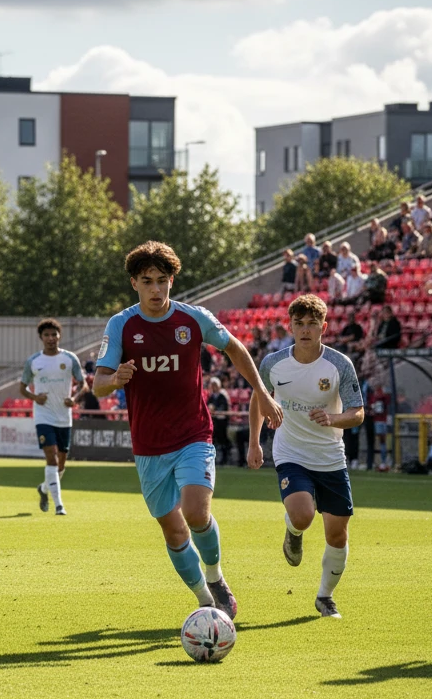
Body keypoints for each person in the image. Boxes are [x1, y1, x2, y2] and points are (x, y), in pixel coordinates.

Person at [92, 241, 283, 620]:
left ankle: (215, 578)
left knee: (196, 512)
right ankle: (204, 601)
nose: (156, 289)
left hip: (193, 434)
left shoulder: (193, 319)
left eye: (162, 281)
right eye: (147, 281)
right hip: (148, 446)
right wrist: (116, 379)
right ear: (134, 283)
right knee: (174, 532)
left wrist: (260, 391)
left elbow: (236, 349)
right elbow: (97, 385)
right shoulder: (121, 325)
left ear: (172, 281)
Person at [248, 294, 364, 619]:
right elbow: (259, 399)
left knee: (337, 534)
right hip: (290, 452)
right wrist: (254, 443)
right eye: (299, 323)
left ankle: (325, 597)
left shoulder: (340, 365)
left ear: (323, 327)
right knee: (302, 515)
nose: (305, 329)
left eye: (312, 323)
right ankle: (293, 532)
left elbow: (358, 413)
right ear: (290, 326)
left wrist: (334, 419)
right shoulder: (273, 362)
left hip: (330, 456)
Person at [20, 318, 89, 516]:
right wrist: (35, 397)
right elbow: (22, 387)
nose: (51, 338)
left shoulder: (69, 359)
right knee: (50, 457)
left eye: (54, 334)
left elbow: (83, 384)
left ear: (59, 336)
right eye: (46, 335)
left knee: (61, 465)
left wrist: (74, 399)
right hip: (43, 416)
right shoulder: (34, 361)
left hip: (63, 417)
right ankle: (59, 505)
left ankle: (43, 488)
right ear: (41, 338)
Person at [207, 377, 232, 466]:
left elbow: (224, 408)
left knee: (223, 440)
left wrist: (215, 409)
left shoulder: (222, 395)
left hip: (222, 422)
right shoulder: (212, 396)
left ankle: (225, 458)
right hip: (214, 422)